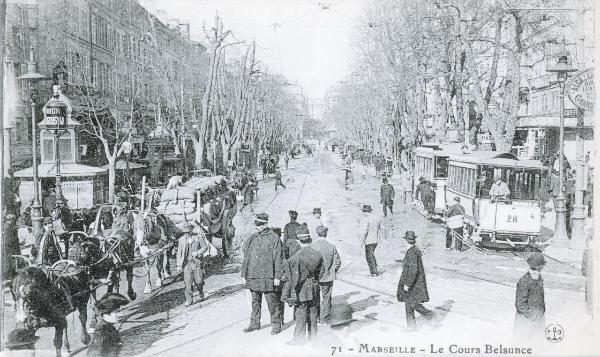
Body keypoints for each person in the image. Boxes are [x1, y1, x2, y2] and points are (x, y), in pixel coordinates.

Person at [240, 213, 284, 335]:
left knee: (272, 302)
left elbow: (278, 258)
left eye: (259, 225)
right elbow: (246, 257)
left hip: (268, 276)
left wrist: (277, 276)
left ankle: (276, 324)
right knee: (255, 302)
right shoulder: (252, 238)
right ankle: (254, 324)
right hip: (253, 276)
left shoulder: (274, 238)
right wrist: (244, 274)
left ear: (265, 224)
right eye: (256, 224)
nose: (257, 227)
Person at [281, 225, 324, 345]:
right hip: (314, 288)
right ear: (309, 239)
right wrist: (313, 281)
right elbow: (321, 272)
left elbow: (291, 279)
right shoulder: (318, 254)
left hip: (301, 291)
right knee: (313, 313)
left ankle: (298, 340)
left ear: (299, 241)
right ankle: (313, 338)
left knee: (300, 314)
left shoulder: (295, 258)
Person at [396, 231, 433, 329]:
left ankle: (430, 316)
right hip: (416, 282)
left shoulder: (411, 252)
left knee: (412, 304)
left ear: (405, 241)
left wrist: (407, 284)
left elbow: (413, 270)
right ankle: (412, 326)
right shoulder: (414, 250)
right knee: (409, 303)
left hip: (413, 283)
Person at [514, 252, 546, 346]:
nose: (541, 268)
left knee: (537, 345)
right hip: (526, 320)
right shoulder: (524, 281)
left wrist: (542, 311)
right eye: (540, 266)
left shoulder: (538, 278)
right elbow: (520, 305)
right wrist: (532, 315)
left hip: (537, 318)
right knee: (525, 344)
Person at [311, 226, 341, 324]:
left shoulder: (312, 246)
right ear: (326, 234)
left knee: (315, 298)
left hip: (315, 277)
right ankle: (326, 317)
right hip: (328, 277)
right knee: (327, 297)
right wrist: (332, 270)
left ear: (317, 234)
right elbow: (338, 261)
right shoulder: (331, 246)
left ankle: (317, 318)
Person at [87, 293, 130, 357]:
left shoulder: (109, 327)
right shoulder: (102, 331)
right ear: (106, 312)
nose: (121, 315)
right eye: (117, 311)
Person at [176, 222, 208, 306]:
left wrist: (197, 253)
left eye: (187, 231)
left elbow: (205, 247)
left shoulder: (198, 236)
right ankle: (189, 300)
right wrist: (179, 265)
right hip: (187, 264)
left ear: (191, 229)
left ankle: (200, 291)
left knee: (199, 281)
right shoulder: (182, 240)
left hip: (197, 263)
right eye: (185, 232)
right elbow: (179, 253)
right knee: (187, 283)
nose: (186, 233)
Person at [360, 205, 383, 276]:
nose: (363, 213)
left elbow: (365, 231)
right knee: (371, 254)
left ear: (366, 212)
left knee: (369, 256)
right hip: (376, 240)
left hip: (369, 240)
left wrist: (362, 241)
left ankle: (374, 272)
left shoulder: (366, 219)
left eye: (363, 211)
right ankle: (375, 267)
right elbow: (380, 228)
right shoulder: (377, 218)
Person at [2, 214, 21, 287]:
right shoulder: (8, 228)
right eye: (14, 220)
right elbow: (10, 240)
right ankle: (9, 278)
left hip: (9, 248)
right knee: (10, 262)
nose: (15, 222)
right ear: (11, 220)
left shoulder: (7, 226)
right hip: (10, 248)